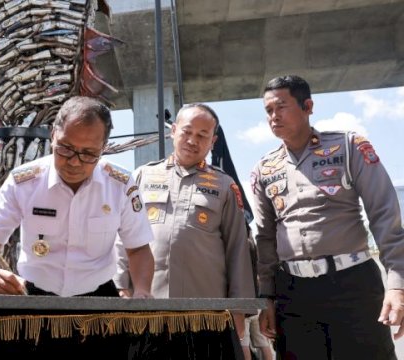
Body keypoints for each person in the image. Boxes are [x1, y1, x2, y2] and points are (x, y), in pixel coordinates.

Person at [252, 75, 404, 359]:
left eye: (281, 107)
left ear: (308, 106)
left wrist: (398, 284)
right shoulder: (264, 168)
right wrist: (267, 297)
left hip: (353, 286)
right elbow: (265, 238)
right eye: (269, 111)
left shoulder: (348, 147)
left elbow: (385, 215)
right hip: (294, 294)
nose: (274, 116)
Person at [0, 96, 155, 298]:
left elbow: (138, 248)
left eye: (88, 154)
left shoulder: (120, 184)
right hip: (35, 296)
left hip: (99, 296)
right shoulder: (23, 182)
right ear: (53, 135)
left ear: (103, 148)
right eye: (65, 149)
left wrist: (142, 291)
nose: (74, 162)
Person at [113, 104, 255, 340]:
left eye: (202, 135)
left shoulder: (225, 186)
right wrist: (120, 285)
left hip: (206, 315)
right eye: (187, 132)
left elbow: (238, 251)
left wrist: (239, 311)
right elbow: (123, 236)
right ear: (174, 131)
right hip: (147, 309)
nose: (192, 140)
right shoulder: (141, 177)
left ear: (213, 141)